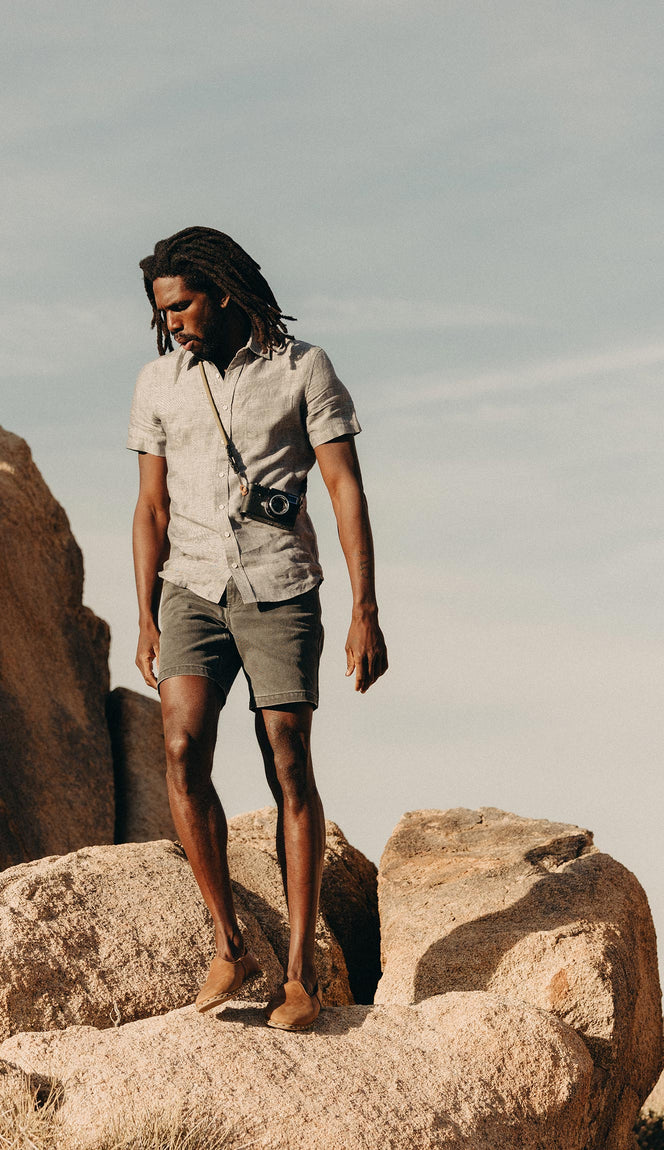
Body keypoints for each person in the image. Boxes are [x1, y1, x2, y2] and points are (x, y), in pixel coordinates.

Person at [128, 226, 387, 1032]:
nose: (173, 322)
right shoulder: (159, 382)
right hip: (190, 588)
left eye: (184, 305)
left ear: (223, 291)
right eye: (163, 312)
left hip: (279, 586)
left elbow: (344, 486)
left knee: (287, 763)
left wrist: (364, 608)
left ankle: (303, 976)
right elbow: (151, 505)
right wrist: (145, 613)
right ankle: (229, 944)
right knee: (179, 748)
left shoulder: (302, 368)